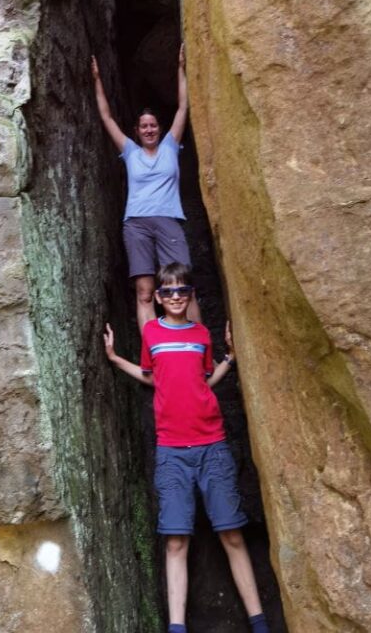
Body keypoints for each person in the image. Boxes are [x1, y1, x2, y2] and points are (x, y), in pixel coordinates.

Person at [103, 262, 270, 633]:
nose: (175, 297)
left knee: (231, 534)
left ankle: (259, 623)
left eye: (182, 291)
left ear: (190, 295)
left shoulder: (202, 333)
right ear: (159, 298)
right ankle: (176, 628)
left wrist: (229, 359)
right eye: (168, 292)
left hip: (212, 444)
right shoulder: (152, 334)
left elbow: (204, 381)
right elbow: (152, 378)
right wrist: (115, 360)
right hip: (172, 450)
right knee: (176, 541)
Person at [91, 46, 200, 332]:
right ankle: (154, 353)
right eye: (144, 126)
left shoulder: (170, 147)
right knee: (144, 292)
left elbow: (183, 107)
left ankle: (199, 352)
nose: (149, 129)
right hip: (136, 224)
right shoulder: (130, 152)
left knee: (183, 287)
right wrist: (97, 81)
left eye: (153, 125)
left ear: (160, 129)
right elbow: (106, 119)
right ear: (136, 131)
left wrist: (181, 68)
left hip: (167, 221)